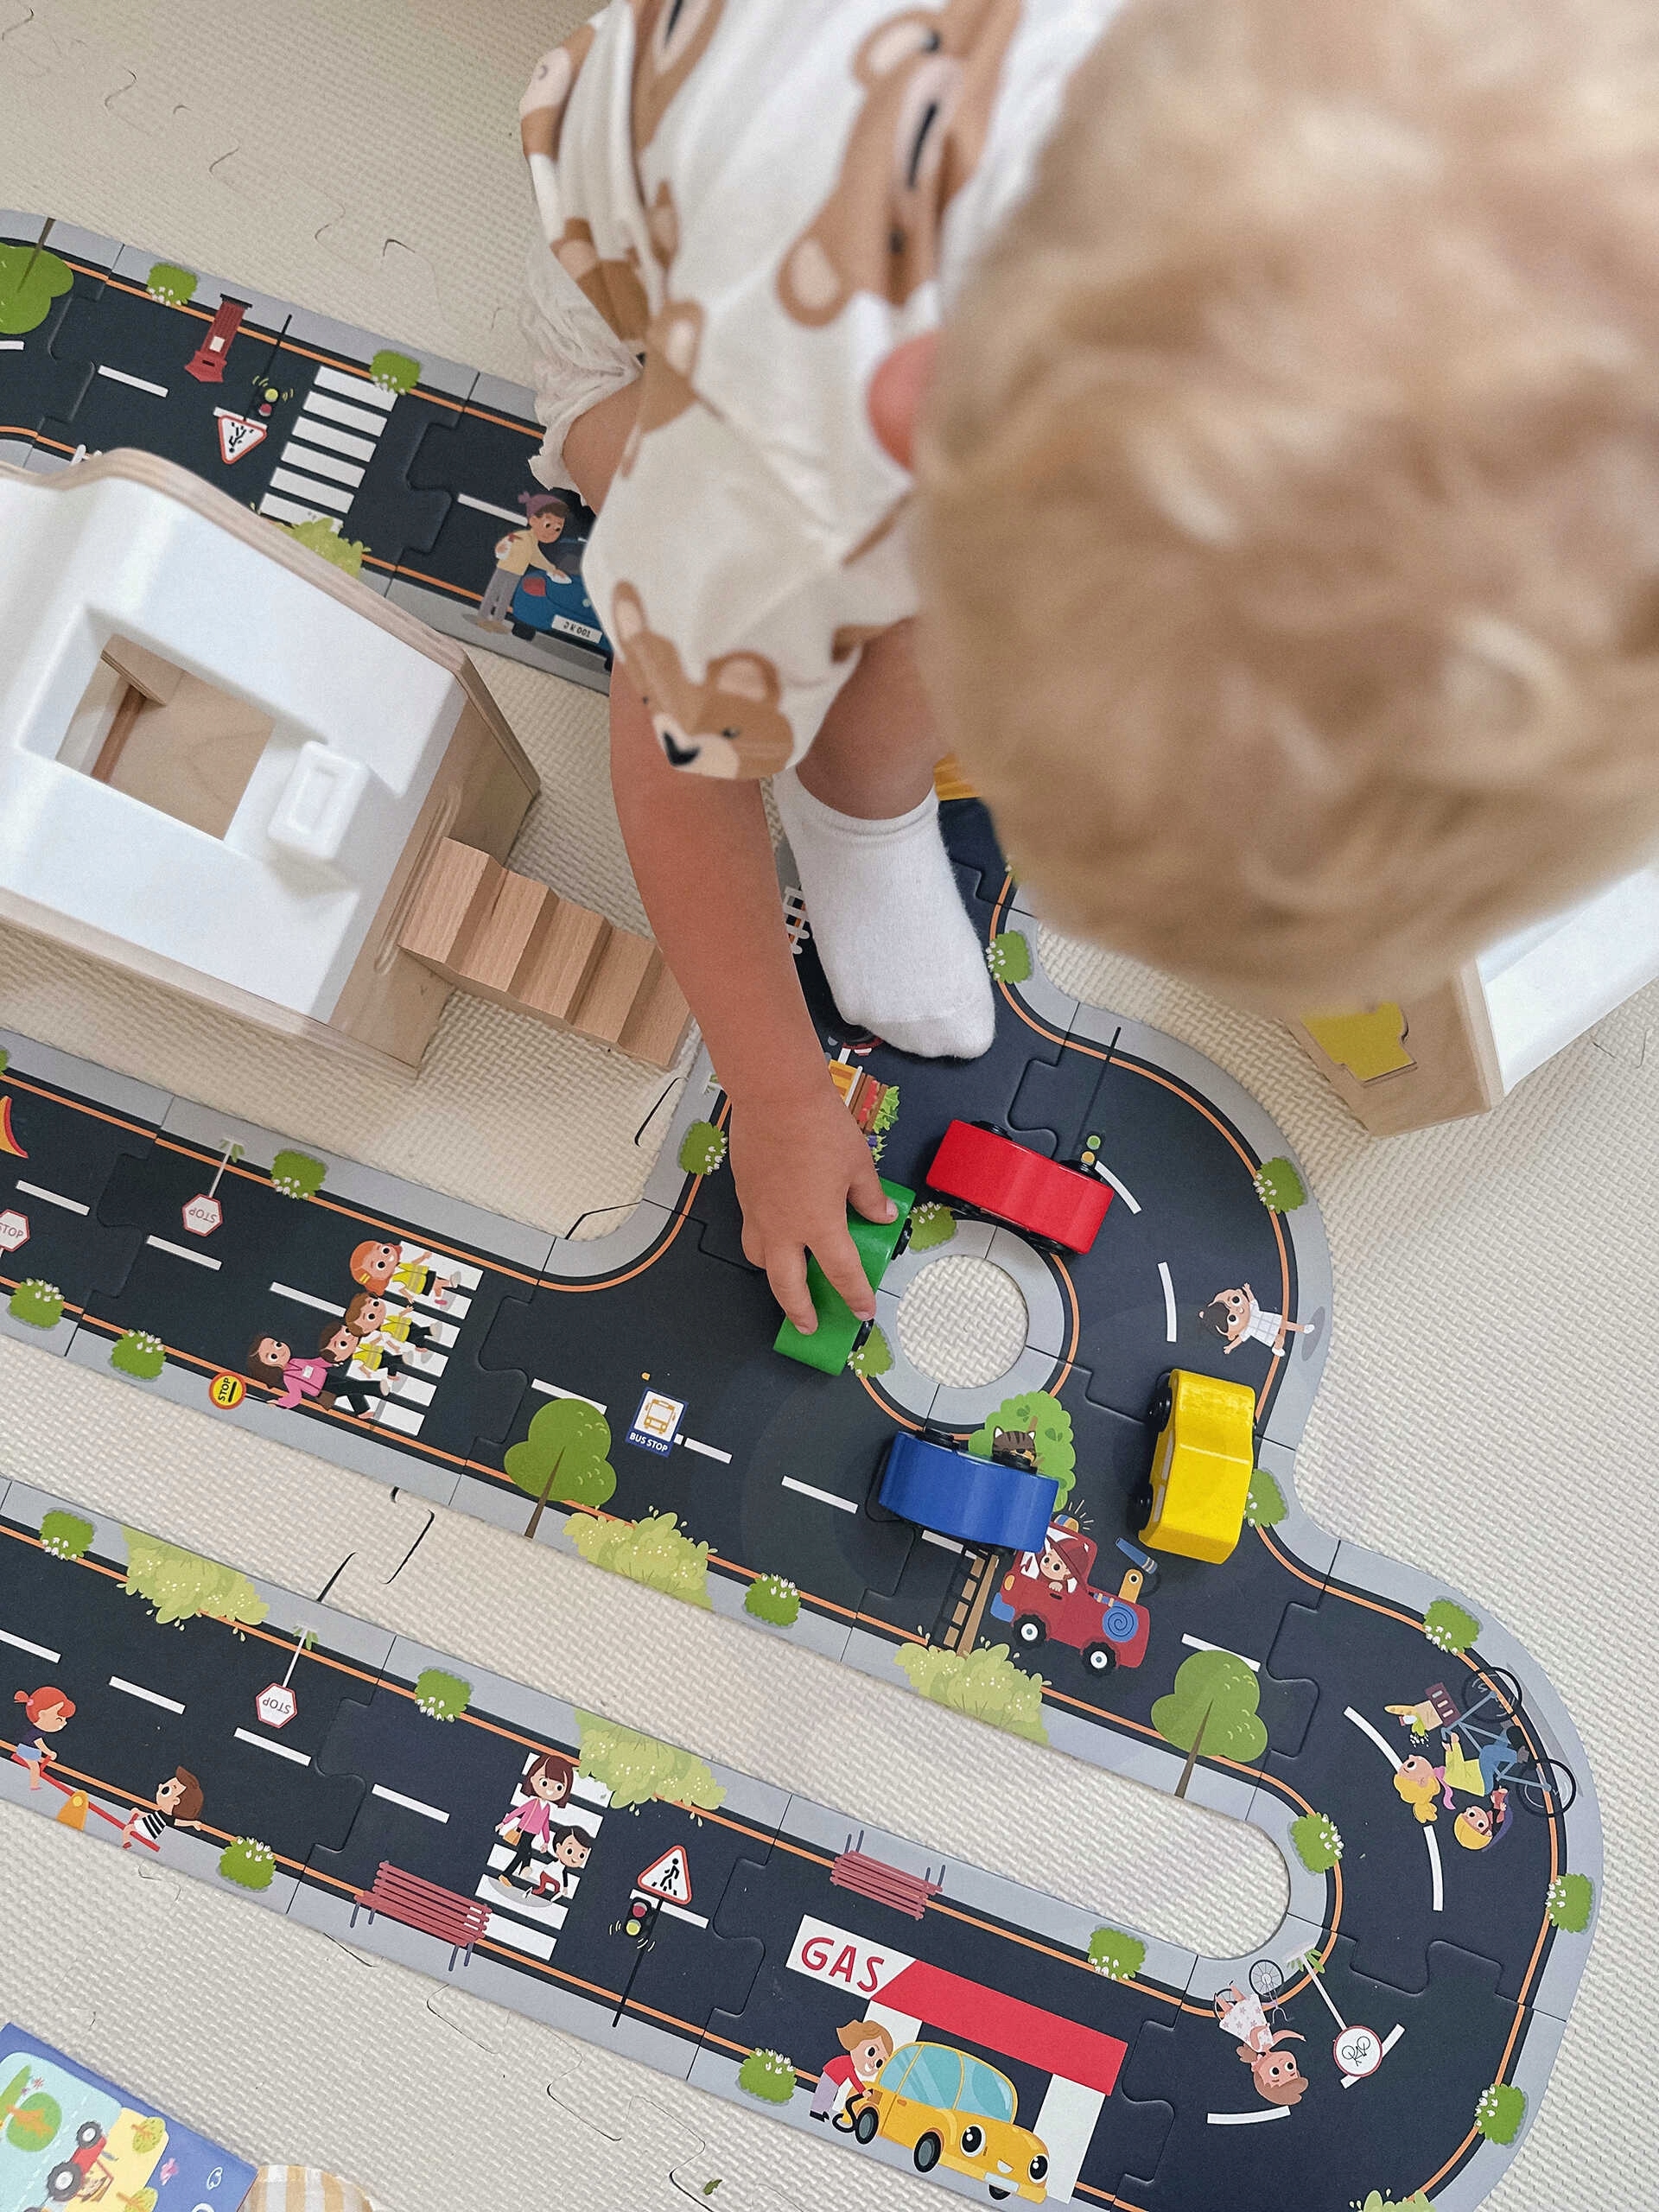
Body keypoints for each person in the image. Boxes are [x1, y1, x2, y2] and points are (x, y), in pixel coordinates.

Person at [515, 0, 1659, 1341]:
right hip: (628, 257)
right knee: (850, 594)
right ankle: (854, 803)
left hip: (872, 215)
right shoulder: (819, 452)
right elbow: (673, 757)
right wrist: (773, 1095)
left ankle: (865, 788)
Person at [474, 490, 578, 631]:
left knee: (505, 597)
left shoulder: (533, 544)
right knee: (493, 593)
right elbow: (503, 546)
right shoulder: (519, 536)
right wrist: (501, 549)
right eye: (548, 525)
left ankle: (497, 621)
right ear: (533, 520)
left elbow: (536, 558)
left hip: (517, 572)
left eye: (558, 529)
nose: (551, 532)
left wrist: (552, 569)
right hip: (504, 569)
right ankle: (482, 617)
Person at [495, 1751, 579, 1895]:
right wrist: (504, 1822)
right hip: (523, 1830)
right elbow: (517, 1812)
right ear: (533, 1779)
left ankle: (509, 1874)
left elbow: (545, 1824)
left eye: (559, 1787)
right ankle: (521, 1869)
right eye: (545, 1783)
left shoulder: (546, 1808)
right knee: (525, 1851)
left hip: (533, 1833)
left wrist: (546, 1840)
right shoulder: (533, 1803)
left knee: (522, 1853)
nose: (550, 1790)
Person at [1200, 1285, 1317, 1360]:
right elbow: (1239, 1339)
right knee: (1279, 1339)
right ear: (1231, 1335)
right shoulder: (1246, 1330)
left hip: (1268, 1320)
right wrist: (1230, 1347)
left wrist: (1248, 1291)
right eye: (1232, 1318)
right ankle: (1277, 1348)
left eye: (1236, 1300)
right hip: (1263, 1333)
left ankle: (1303, 1328)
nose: (1239, 1310)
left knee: (1285, 1324)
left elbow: (1252, 1300)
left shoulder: (1252, 1309)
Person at [809, 2020, 894, 2122]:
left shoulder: (849, 2063)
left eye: (879, 2063)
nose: (872, 2064)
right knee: (824, 2093)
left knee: (830, 2095)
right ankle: (816, 2111)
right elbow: (854, 2079)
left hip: (836, 2081)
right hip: (830, 2076)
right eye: (871, 2052)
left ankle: (822, 2111)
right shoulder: (848, 2063)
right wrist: (862, 2091)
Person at [121, 1768, 205, 1850]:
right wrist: (139, 1812)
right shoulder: (162, 1814)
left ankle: (126, 1843)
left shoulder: (167, 1817)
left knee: (128, 1828)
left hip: (148, 1830)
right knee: (130, 1827)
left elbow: (178, 1822)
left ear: (175, 1801)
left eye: (165, 1790)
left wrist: (192, 1823)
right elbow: (152, 1816)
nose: (160, 1786)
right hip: (150, 1830)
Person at [11, 1685, 74, 1787]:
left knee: (33, 1767)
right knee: (35, 1767)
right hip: (27, 1750)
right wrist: (49, 1752)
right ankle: (34, 1786)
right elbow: (39, 1743)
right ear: (42, 1714)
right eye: (59, 1719)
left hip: (30, 1751)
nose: (64, 1724)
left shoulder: (37, 1731)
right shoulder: (36, 1732)